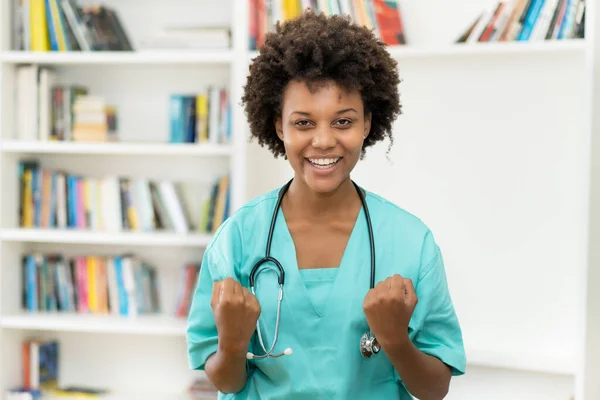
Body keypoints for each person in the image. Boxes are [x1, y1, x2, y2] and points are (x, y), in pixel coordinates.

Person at [186, 9, 466, 400]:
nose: (323, 141)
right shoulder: (238, 238)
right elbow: (226, 380)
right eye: (303, 123)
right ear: (278, 125)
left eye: (343, 121)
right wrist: (232, 345)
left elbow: (435, 389)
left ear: (368, 123)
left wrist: (396, 341)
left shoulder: (410, 242)